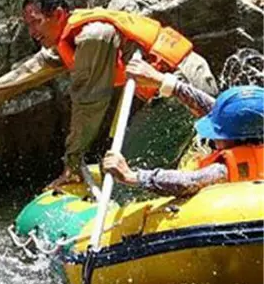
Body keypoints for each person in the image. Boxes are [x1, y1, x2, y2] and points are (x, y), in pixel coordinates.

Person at [0, 0, 219, 188]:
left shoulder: (93, 36)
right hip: (167, 95)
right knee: (129, 160)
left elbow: (89, 103)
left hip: (185, 87)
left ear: (58, 15)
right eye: (28, 25)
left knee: (126, 168)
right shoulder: (65, 40)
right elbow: (25, 73)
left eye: (35, 22)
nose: (32, 32)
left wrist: (72, 162)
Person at [102, 60, 263, 197]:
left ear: (239, 139)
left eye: (218, 134)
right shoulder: (253, 129)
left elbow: (188, 182)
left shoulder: (222, 171)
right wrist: (163, 81)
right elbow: (213, 109)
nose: (213, 138)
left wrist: (133, 176)